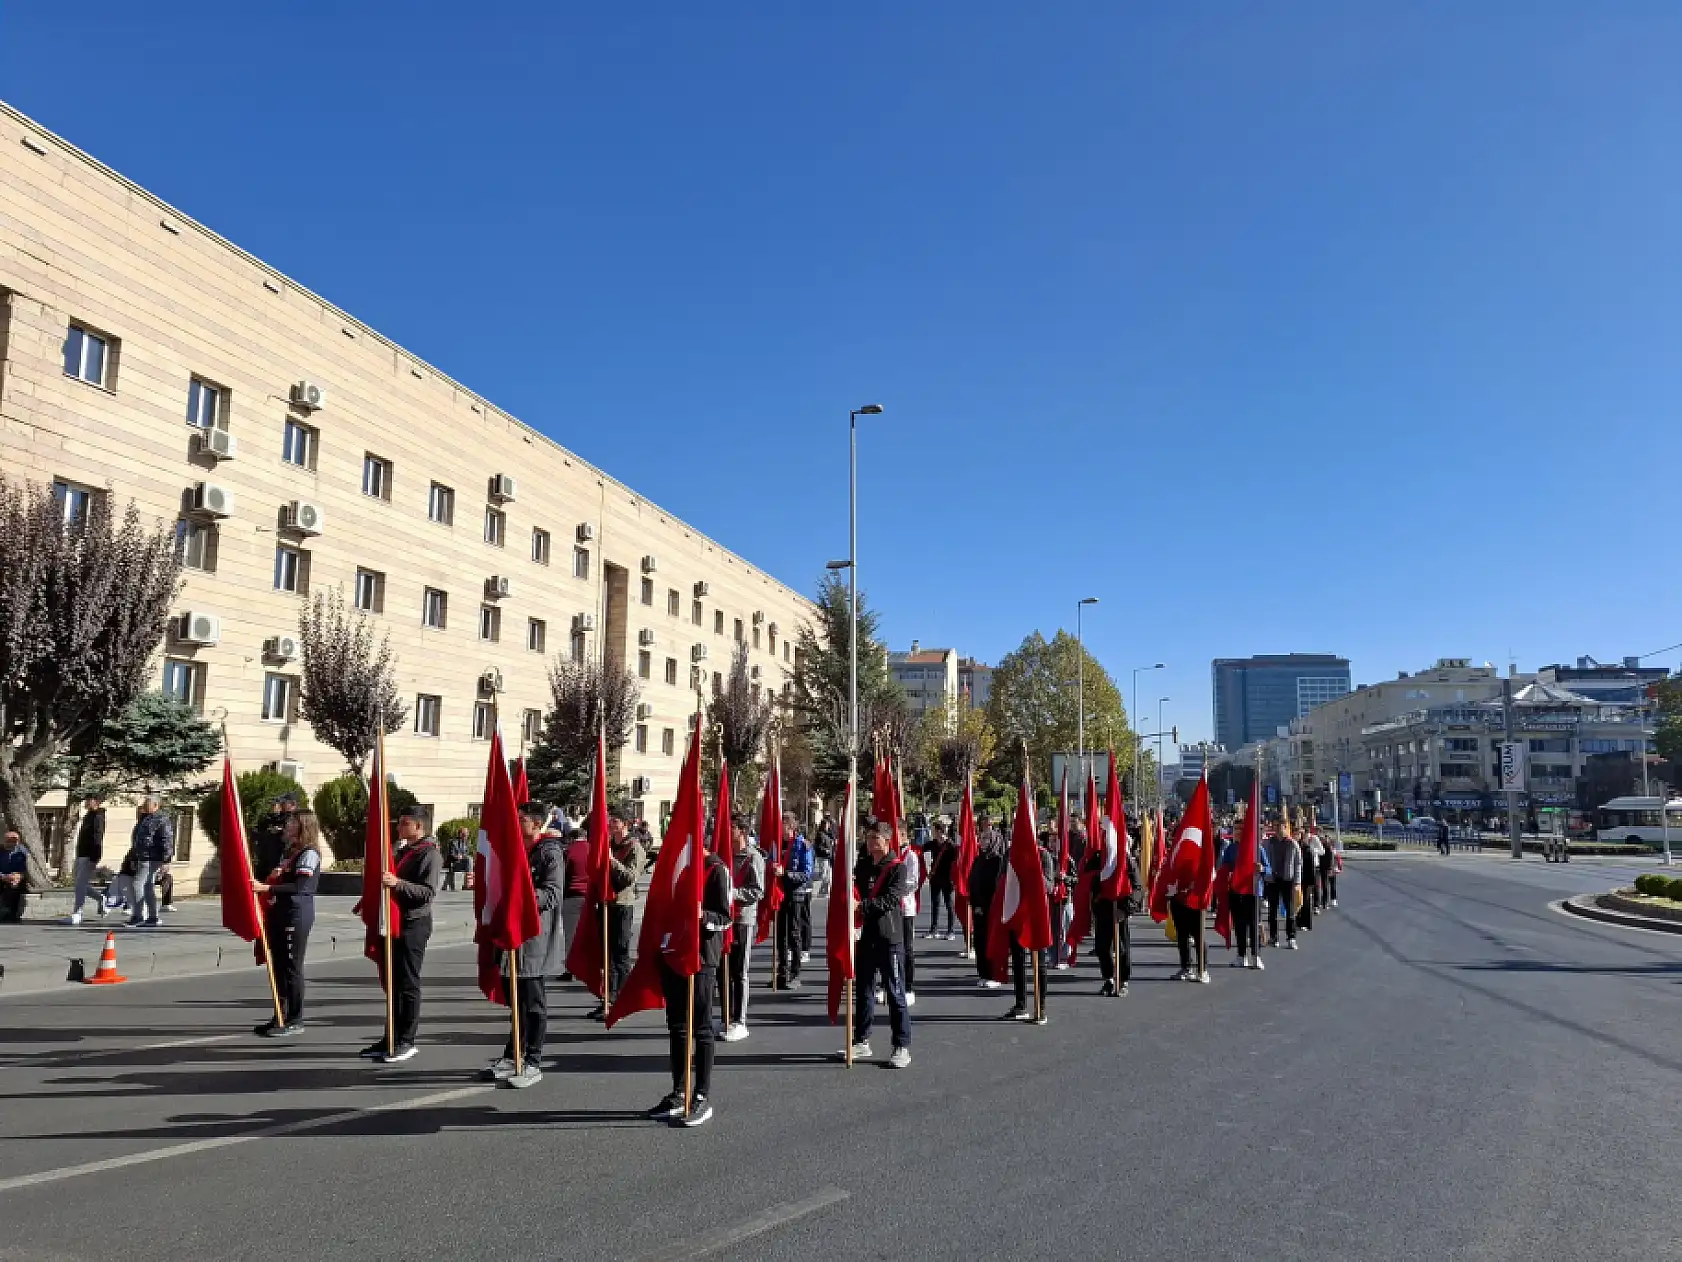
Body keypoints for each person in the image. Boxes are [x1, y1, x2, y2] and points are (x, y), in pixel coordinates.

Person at [646, 831, 733, 1127]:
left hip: (702, 957)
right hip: (674, 953)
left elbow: (725, 918)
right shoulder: (681, 869)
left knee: (702, 1027)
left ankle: (701, 1094)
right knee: (677, 1026)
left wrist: (703, 916)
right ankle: (679, 1090)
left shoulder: (717, 870)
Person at [485, 802, 565, 1088]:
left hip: (533, 939)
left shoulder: (549, 852)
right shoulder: (517, 851)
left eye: (520, 819)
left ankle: (532, 1060)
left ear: (536, 823)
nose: (515, 824)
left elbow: (552, 893)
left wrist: (522, 896)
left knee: (532, 1003)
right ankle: (513, 1055)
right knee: (515, 1001)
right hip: (511, 936)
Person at [360, 805, 443, 1063]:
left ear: (419, 826)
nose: (398, 828)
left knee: (407, 983)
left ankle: (406, 1040)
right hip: (396, 922)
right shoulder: (404, 851)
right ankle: (390, 1037)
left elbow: (427, 893)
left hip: (414, 924)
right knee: (393, 983)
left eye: (404, 823)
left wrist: (398, 883)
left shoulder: (430, 854)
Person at [843, 819, 913, 1068]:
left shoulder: (897, 868)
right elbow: (852, 890)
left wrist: (862, 906)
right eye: (869, 837)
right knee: (864, 991)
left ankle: (901, 1045)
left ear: (887, 841)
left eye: (876, 838)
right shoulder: (862, 865)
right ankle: (861, 1040)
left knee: (895, 992)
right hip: (866, 937)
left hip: (889, 938)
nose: (871, 842)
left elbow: (890, 900)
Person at [251, 808, 324, 1036]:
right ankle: (279, 1016)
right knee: (278, 966)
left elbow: (300, 887)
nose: (288, 826)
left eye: (293, 822)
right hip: (280, 912)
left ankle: (295, 1018)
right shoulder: (291, 851)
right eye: (289, 822)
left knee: (292, 967)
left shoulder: (309, 854)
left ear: (304, 826)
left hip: (296, 914)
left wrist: (267, 888)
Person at [587, 812, 646, 1021]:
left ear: (626, 824)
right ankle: (608, 999)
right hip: (605, 904)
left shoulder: (635, 848)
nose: (611, 824)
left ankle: (622, 999)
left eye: (615, 821)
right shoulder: (609, 844)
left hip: (622, 904)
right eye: (610, 820)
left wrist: (611, 860)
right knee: (607, 955)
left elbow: (630, 877)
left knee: (620, 954)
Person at [1004, 832, 1058, 1021]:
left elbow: (1049, 885)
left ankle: (1040, 1007)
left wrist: (1033, 869)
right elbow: (1002, 881)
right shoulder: (1010, 855)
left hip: (1037, 915)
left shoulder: (1043, 855)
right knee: (1017, 961)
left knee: (1040, 962)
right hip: (1017, 912)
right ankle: (1020, 1005)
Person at [720, 815, 764, 1042]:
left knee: (739, 972)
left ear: (743, 832)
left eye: (733, 828)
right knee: (723, 971)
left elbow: (757, 890)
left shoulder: (753, 857)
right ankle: (726, 1016)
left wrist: (733, 894)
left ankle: (740, 1020)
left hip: (743, 919)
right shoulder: (724, 855)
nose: (728, 831)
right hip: (724, 918)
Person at [1085, 823, 1143, 997]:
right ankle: (1109, 979)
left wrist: (1126, 909)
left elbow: (1138, 888)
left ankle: (1123, 981)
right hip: (1103, 908)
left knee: (1122, 949)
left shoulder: (1127, 861)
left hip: (1120, 909)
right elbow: (1088, 875)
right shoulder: (1100, 858)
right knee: (1102, 948)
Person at [1219, 827, 1271, 970]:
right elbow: (1224, 866)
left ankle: (1256, 956)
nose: (1237, 833)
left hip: (1253, 891)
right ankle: (1241, 956)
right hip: (1236, 891)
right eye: (1235, 830)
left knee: (1254, 924)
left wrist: (1262, 869)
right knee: (1239, 925)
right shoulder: (1230, 849)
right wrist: (1227, 873)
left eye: (1240, 830)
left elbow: (1268, 868)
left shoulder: (1257, 849)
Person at [772, 813, 812, 988]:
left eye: (783, 826)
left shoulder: (802, 845)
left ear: (791, 827)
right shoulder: (777, 844)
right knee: (781, 934)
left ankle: (795, 973)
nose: (780, 829)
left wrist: (786, 874)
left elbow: (807, 873)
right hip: (779, 893)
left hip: (795, 894)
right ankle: (782, 971)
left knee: (794, 933)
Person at [969, 817, 1007, 989]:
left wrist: (987, 906)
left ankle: (994, 974)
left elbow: (997, 886)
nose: (982, 841)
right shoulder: (978, 860)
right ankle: (983, 973)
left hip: (993, 909)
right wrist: (975, 904)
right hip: (978, 909)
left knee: (993, 941)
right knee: (980, 941)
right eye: (981, 838)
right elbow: (972, 882)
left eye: (986, 839)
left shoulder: (999, 861)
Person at [125, 795, 173, 929]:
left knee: (137, 884)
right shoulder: (145, 818)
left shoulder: (161, 819)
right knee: (147, 887)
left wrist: (166, 860)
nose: (144, 805)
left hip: (152, 857)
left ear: (156, 805)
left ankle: (138, 916)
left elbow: (167, 840)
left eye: (147, 803)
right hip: (143, 857)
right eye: (144, 803)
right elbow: (137, 840)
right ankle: (153, 917)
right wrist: (134, 857)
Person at [68, 795, 106, 924]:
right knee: (79, 884)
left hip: (89, 855)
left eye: (89, 800)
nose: (86, 802)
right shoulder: (88, 815)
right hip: (81, 854)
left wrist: (94, 858)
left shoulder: (98, 817)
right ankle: (101, 898)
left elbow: (98, 838)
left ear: (96, 802)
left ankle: (78, 913)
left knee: (80, 885)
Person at [1263, 825, 1302, 950]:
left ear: (1286, 828)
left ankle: (1291, 938)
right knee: (1272, 911)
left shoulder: (1292, 843)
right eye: (1276, 827)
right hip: (1272, 880)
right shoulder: (1268, 843)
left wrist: (1297, 882)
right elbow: (1263, 859)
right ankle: (1273, 937)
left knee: (1290, 910)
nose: (1279, 830)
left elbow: (1298, 863)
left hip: (1287, 880)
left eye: (1281, 827)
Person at [252, 791, 299, 883]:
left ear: (292, 804)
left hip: (281, 857)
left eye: (284, 803)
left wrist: (281, 830)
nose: (281, 805)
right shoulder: (274, 817)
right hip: (266, 857)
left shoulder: (295, 818)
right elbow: (258, 831)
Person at [899, 829, 922, 1006]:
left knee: (907, 948)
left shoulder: (911, 856)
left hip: (905, 907)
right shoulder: (891, 854)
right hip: (891, 908)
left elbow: (914, 883)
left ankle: (908, 987)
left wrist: (895, 885)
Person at [925, 820, 958, 940]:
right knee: (935, 904)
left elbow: (956, 861)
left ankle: (951, 931)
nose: (932, 833)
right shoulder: (932, 844)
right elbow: (921, 850)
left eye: (934, 830)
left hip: (947, 879)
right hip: (935, 878)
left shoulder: (950, 845)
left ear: (939, 831)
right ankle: (934, 929)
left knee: (949, 905)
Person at [0, 828, 27, 923]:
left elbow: (25, 869)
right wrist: (3, 877)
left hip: (16, 877)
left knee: (14, 887)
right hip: (2, 876)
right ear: (4, 840)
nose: (11, 843)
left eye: (14, 841)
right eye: (9, 841)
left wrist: (18, 877)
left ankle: (10, 914)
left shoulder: (22, 851)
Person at [1298, 829, 1324, 930]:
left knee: (1311, 893)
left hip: (1313, 869)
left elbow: (1322, 851)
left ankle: (1316, 906)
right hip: (1300, 873)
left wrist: (1314, 851)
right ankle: (1299, 921)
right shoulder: (1299, 845)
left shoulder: (1314, 840)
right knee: (1300, 898)